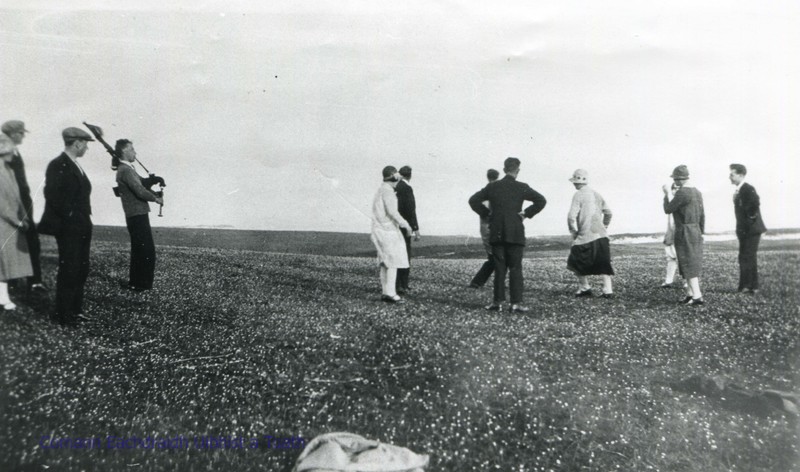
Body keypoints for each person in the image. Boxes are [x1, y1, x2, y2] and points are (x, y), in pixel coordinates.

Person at [468, 157, 547, 313]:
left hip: (496, 232)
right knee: (516, 268)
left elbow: (473, 200)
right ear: (517, 170)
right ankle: (516, 303)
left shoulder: (493, 187)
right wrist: (526, 214)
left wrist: (487, 214)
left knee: (499, 268)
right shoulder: (522, 187)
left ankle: (497, 303)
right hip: (516, 232)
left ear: (504, 170)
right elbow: (541, 200)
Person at [38, 127, 95, 326]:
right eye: (85, 143)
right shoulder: (58, 164)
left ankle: (75, 310)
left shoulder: (75, 165)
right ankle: (63, 314)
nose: (87, 147)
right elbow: (52, 194)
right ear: (77, 142)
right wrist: (70, 216)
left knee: (81, 267)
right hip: (69, 227)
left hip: (82, 224)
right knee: (70, 268)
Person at [2, 120, 46, 293]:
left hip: (22, 201)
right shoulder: (5, 149)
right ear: (13, 133)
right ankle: (17, 281)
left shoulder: (13, 149)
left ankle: (32, 280)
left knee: (30, 240)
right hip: (13, 203)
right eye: (21, 133)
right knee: (13, 242)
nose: (23, 136)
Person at [115, 139, 164, 291]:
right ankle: (141, 285)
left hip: (135, 213)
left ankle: (136, 283)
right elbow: (139, 190)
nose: (135, 152)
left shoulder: (127, 169)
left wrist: (152, 180)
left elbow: (141, 183)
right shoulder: (126, 170)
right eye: (132, 149)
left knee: (140, 249)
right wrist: (156, 198)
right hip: (137, 214)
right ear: (124, 151)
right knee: (146, 250)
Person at [566, 169, 614, 298]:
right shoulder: (596, 194)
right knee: (603, 262)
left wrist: (573, 231)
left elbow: (571, 216)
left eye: (574, 181)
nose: (573, 184)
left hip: (585, 234)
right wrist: (605, 226)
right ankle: (608, 290)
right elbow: (608, 213)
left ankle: (585, 287)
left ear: (576, 182)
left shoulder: (578, 195)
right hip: (601, 234)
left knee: (575, 260)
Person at [663, 165, 705, 306]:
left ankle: (697, 296)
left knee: (687, 263)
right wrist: (701, 232)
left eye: (675, 179)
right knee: (688, 262)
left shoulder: (682, 193)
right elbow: (702, 215)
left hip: (684, 231)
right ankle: (690, 294)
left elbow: (668, 209)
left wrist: (666, 194)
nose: (675, 182)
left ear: (679, 179)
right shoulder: (697, 192)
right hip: (695, 230)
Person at [0, 135, 33, 311]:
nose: (13, 153)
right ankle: (3, 297)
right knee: (3, 261)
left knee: (6, 262)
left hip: (10, 223)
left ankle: (3, 297)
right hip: (3, 222)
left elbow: (18, 198)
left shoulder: (9, 171)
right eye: (10, 149)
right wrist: (16, 220)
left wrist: (24, 216)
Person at [370, 166, 412, 304]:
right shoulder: (388, 192)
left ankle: (385, 292)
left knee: (385, 262)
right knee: (393, 261)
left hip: (378, 229)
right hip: (388, 230)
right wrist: (406, 225)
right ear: (393, 177)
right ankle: (391, 293)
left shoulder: (380, 190)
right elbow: (393, 212)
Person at [729, 163, 766, 294]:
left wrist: (749, 220)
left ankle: (747, 286)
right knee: (747, 256)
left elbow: (754, 203)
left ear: (741, 175)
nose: (730, 177)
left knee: (746, 256)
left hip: (750, 230)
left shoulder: (747, 188)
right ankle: (751, 286)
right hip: (747, 230)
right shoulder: (740, 190)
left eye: (732, 174)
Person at [469, 169, 499, 288]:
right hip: (489, 226)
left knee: (495, 256)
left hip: (486, 226)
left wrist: (485, 213)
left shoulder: (484, 193)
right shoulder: (491, 192)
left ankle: (479, 282)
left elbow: (474, 202)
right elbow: (473, 201)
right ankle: (477, 282)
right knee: (494, 257)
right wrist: (487, 213)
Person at [394, 165, 419, 294]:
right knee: (405, 254)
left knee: (396, 254)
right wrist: (416, 228)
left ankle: (397, 284)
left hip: (393, 225)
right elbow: (411, 210)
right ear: (410, 175)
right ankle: (403, 285)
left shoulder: (395, 187)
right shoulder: (407, 188)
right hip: (405, 226)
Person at [661, 183, 680, 288]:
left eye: (678, 188)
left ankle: (688, 282)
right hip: (671, 232)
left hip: (679, 232)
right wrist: (666, 194)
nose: (676, 190)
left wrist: (668, 193)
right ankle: (668, 281)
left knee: (681, 258)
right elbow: (667, 208)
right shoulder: (672, 199)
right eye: (674, 188)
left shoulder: (681, 199)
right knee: (670, 257)